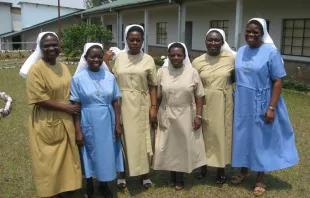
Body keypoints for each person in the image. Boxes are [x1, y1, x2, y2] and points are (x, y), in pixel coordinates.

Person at [231, 18, 299, 196]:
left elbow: (278, 81)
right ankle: (244, 171)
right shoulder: (241, 51)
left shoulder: (271, 53)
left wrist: (272, 107)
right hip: (242, 102)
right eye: (248, 31)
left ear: (263, 34)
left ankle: (260, 178)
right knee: (243, 136)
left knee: (260, 140)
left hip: (262, 102)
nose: (251, 34)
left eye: (255, 32)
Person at [25, 32, 82, 197]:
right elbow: (38, 99)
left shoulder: (62, 66)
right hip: (46, 120)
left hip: (66, 119)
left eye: (54, 44)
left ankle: (66, 189)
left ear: (60, 46)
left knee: (67, 159)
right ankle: (51, 192)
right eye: (47, 46)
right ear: (41, 49)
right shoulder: (36, 70)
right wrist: (67, 108)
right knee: (49, 161)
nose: (51, 48)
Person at [105, 24, 158, 189]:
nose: (134, 42)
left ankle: (145, 175)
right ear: (126, 40)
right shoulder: (119, 58)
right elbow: (111, 77)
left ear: (142, 41)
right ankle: (122, 174)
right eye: (131, 40)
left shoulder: (148, 59)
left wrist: (154, 107)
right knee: (122, 137)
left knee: (142, 139)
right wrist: (106, 60)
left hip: (142, 103)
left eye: (138, 40)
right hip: (122, 103)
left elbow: (153, 86)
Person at [70, 43, 124, 198]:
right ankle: (89, 186)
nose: (96, 59)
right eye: (92, 56)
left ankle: (104, 184)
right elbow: (76, 105)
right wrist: (78, 129)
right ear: (86, 58)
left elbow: (115, 102)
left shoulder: (110, 77)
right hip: (88, 119)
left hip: (108, 120)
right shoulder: (77, 79)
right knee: (88, 152)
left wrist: (118, 124)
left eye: (100, 57)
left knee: (106, 153)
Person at [153, 42, 207, 190]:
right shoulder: (162, 72)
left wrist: (199, 116)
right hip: (167, 112)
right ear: (168, 56)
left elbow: (200, 96)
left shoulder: (192, 72)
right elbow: (157, 97)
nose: (176, 57)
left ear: (184, 56)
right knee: (169, 145)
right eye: (173, 55)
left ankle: (180, 177)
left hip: (186, 113)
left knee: (183, 146)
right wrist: (154, 113)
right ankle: (172, 174)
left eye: (179, 55)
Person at [192, 29, 236, 184]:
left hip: (224, 102)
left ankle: (220, 168)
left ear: (222, 42)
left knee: (220, 134)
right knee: (203, 134)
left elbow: (235, 78)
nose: (213, 43)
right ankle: (202, 165)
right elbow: (193, 84)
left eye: (217, 40)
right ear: (205, 42)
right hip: (203, 101)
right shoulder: (197, 61)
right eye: (210, 40)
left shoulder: (231, 58)